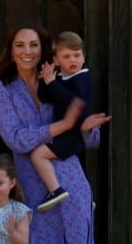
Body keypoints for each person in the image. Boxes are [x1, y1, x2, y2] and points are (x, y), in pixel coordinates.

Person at [0, 22, 111, 244]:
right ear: (11, 51)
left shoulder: (62, 78)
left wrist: (86, 128)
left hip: (73, 182)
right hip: (34, 188)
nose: (27, 51)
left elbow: (89, 138)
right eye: (20, 45)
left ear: (42, 50)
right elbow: (15, 138)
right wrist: (63, 125)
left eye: (34, 45)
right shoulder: (0, 88)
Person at [30, 31, 94, 212]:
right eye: (66, 56)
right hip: (64, 134)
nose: (73, 60)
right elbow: (45, 97)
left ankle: (55, 190)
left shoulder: (83, 79)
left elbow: (72, 102)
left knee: (38, 155)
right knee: (65, 167)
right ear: (56, 60)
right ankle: (82, 195)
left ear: (83, 57)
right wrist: (45, 80)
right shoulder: (61, 78)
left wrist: (52, 83)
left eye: (77, 55)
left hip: (73, 135)